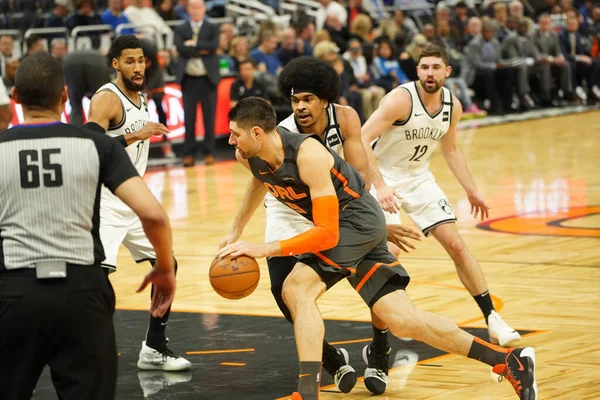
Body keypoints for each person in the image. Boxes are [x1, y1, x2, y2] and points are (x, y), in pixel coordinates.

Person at [218, 97, 537, 400]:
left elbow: (327, 234)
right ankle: (509, 361)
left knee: (296, 288)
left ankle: (307, 392)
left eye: (235, 134)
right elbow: (260, 181)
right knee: (403, 320)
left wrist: (264, 248)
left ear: (257, 133)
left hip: (354, 222)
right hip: (353, 227)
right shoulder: (248, 156)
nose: (231, 141)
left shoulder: (307, 154)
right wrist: (236, 229)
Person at [221, 57, 421, 394]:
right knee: (283, 289)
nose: (300, 106)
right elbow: (259, 181)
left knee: (377, 272)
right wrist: (236, 231)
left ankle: (380, 348)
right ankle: (331, 358)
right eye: (295, 99)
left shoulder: (345, 118)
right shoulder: (277, 133)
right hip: (290, 203)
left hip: (345, 201)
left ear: (325, 99)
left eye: (308, 99)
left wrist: (374, 230)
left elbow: (360, 181)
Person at [0, 51, 176, 400]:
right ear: (65, 96)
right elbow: (153, 215)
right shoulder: (95, 145)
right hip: (81, 294)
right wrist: (165, 267)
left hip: (14, 295)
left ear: (16, 98)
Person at [361, 43, 522, 389]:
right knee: (389, 260)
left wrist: (472, 189)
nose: (429, 73)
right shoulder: (400, 100)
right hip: (383, 179)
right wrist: (380, 185)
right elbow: (360, 139)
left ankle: (493, 318)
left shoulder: (452, 105)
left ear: (447, 71)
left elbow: (450, 150)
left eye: (436, 67)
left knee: (457, 245)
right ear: (416, 71)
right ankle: (379, 349)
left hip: (418, 178)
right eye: (424, 68)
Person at [85, 35, 191, 372]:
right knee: (94, 281)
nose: (137, 66)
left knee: (167, 265)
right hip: (103, 200)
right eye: (129, 61)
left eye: (141, 60)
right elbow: (89, 142)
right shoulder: (107, 98)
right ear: (115, 64)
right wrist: (135, 134)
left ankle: (154, 347)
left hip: (131, 200)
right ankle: (87, 352)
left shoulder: (141, 97)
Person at [173, 0, 221, 167]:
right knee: (189, 119)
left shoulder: (212, 27)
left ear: (203, 9)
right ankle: (189, 154)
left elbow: (214, 46)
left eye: (198, 7)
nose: (195, 10)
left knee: (209, 119)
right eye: (192, 7)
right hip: (188, 80)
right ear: (188, 10)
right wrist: (202, 49)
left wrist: (193, 44)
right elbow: (179, 47)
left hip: (208, 79)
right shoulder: (181, 28)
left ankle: (209, 152)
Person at [62, 49, 113, 126]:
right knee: (101, 105)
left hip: (70, 62)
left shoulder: (100, 56)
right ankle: (101, 132)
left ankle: (76, 134)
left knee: (75, 106)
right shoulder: (103, 59)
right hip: (97, 63)